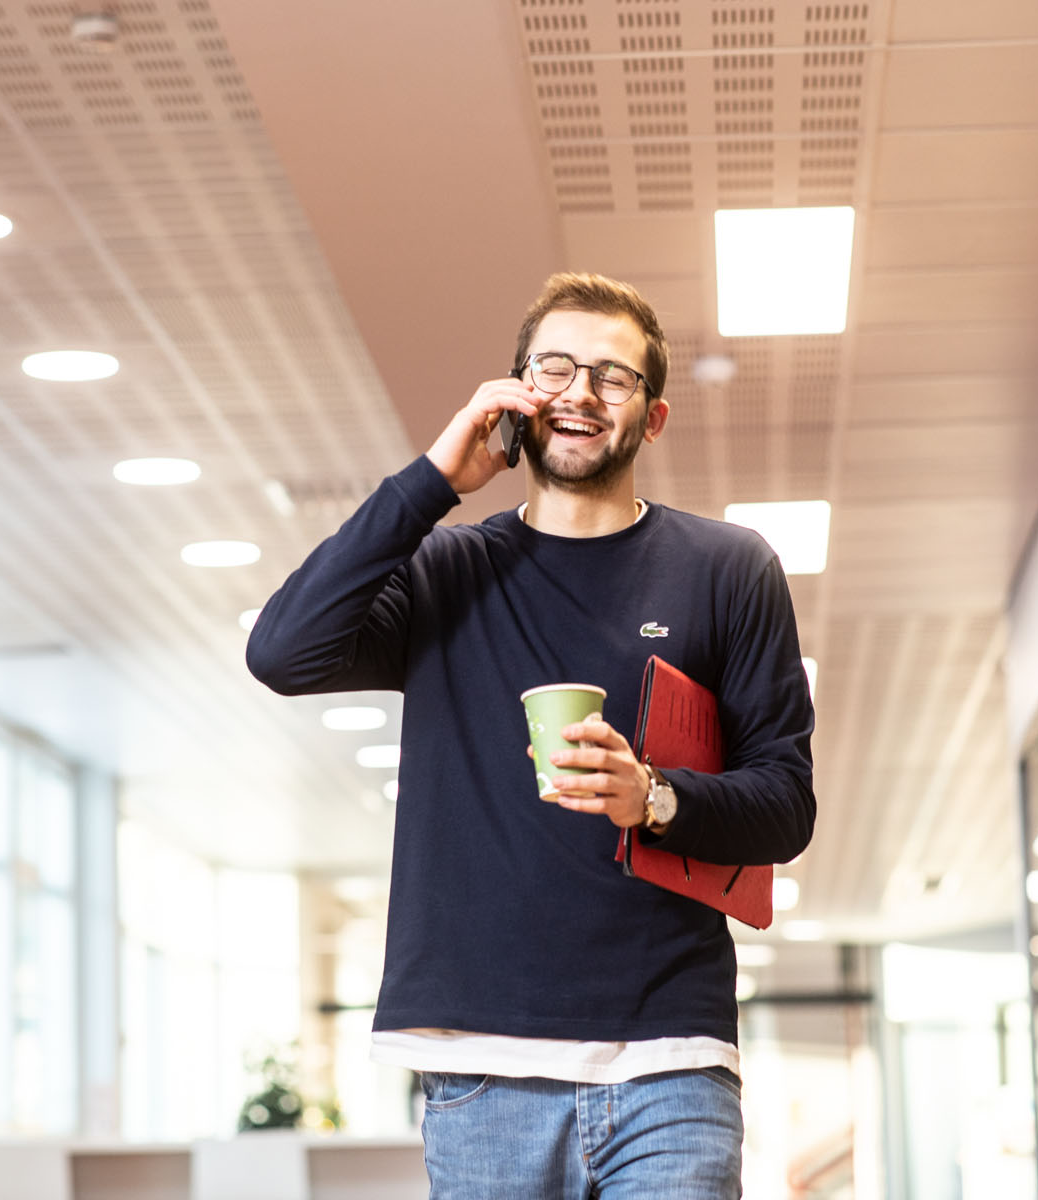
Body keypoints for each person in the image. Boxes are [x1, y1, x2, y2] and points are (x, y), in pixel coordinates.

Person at [247, 272, 816, 1197]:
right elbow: (283, 652)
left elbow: (785, 805)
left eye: (613, 377)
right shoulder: (448, 568)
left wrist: (656, 796)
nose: (582, 393)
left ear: (654, 417)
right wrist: (432, 482)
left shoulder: (727, 568)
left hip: (669, 1059)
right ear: (516, 396)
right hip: (481, 1065)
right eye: (556, 369)